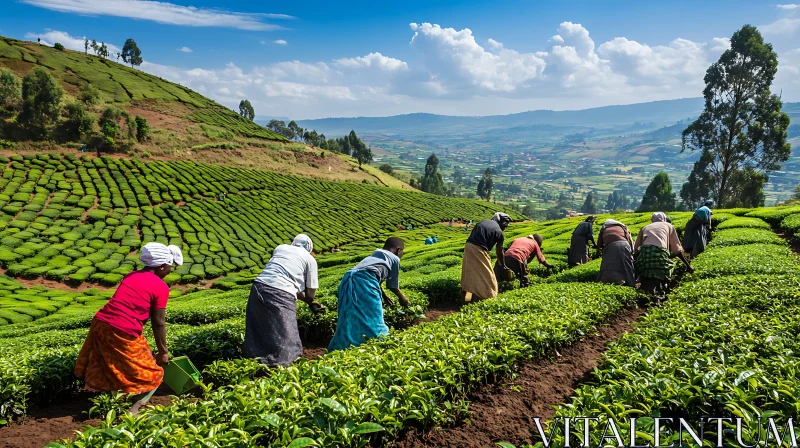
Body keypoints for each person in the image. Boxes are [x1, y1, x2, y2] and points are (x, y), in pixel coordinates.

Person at [74, 242, 183, 415]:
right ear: (162, 266)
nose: (170, 271)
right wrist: (163, 351)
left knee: (107, 364)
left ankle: (108, 403)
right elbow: (159, 323)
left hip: (100, 323)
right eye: (170, 267)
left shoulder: (131, 276)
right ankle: (134, 410)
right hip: (121, 330)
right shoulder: (161, 287)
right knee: (153, 372)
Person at [243, 234, 321, 367]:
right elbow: (310, 293)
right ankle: (283, 363)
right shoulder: (309, 259)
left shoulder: (281, 248)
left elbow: (279, 273)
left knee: (259, 325)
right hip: (281, 293)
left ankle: (255, 358)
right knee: (286, 333)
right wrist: (310, 301)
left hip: (258, 287)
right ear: (309, 247)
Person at [328, 237, 410, 352]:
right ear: (399, 250)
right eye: (402, 252)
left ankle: (341, 347)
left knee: (349, 314)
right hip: (364, 281)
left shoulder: (375, 254)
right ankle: (382, 344)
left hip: (348, 279)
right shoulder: (394, 258)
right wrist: (403, 298)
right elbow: (392, 285)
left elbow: (374, 275)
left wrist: (383, 295)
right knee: (373, 316)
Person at [634, 212, 694, 295]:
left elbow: (636, 248)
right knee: (668, 267)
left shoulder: (644, 227)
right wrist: (688, 266)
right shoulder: (669, 226)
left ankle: (651, 288)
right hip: (660, 253)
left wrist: (639, 261)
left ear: (652, 220)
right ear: (664, 219)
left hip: (644, 254)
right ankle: (663, 287)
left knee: (647, 270)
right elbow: (677, 250)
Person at [461, 212, 512, 302]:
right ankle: (487, 297)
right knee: (488, 277)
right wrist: (503, 265)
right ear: (500, 221)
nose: (505, 227)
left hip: (468, 246)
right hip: (479, 249)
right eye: (505, 224)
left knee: (471, 272)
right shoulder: (499, 232)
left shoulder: (484, 221)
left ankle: (468, 295)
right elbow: (499, 251)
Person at [597, 219, 635, 287]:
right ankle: (630, 282)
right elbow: (630, 239)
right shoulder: (623, 227)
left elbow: (599, 243)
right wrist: (632, 250)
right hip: (624, 244)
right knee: (626, 264)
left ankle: (608, 281)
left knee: (609, 264)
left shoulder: (604, 229)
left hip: (610, 246)